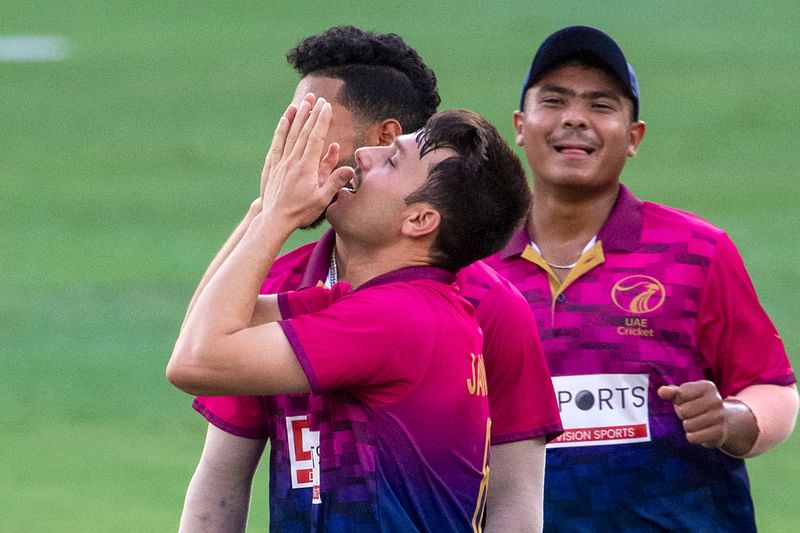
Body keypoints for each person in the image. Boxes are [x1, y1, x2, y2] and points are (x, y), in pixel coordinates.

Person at [178, 26, 561, 532]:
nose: (359, 160)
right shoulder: (347, 300)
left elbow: (196, 360)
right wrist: (266, 207)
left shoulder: (400, 317)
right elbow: (206, 330)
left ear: (420, 220)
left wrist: (276, 216)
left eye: (310, 124)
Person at [484, 25, 799, 531]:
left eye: (601, 105)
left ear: (634, 137)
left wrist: (730, 420)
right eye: (555, 100)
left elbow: (772, 387)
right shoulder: (471, 266)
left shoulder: (697, 251)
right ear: (521, 125)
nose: (574, 119)